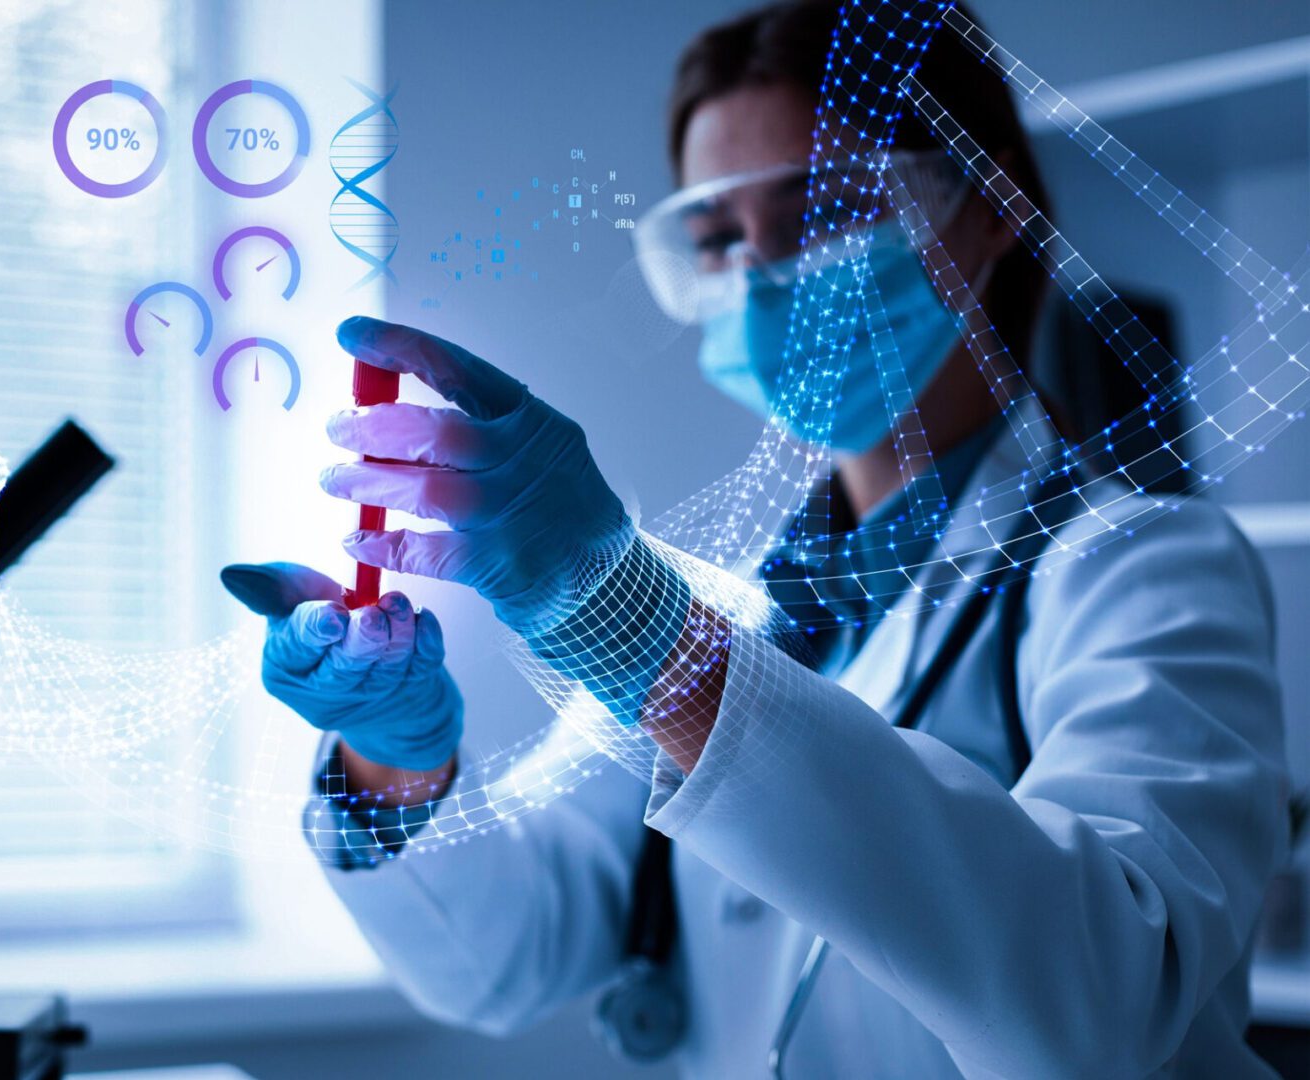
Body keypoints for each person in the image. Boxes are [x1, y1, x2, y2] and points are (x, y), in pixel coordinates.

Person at [219, 1, 1292, 1075]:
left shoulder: (1144, 569)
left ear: (989, 201)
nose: (766, 275)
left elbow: (1103, 995)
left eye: (824, 213)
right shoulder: (732, 606)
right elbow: (503, 958)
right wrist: (397, 761)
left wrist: (636, 634)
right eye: (719, 237)